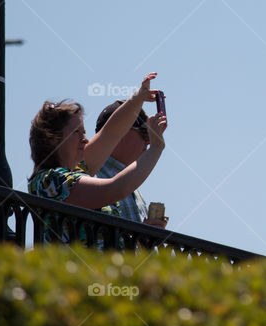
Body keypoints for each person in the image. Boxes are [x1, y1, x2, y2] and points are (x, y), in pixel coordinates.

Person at [27, 73, 167, 243]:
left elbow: (110, 133)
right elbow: (116, 188)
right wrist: (156, 148)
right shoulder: (50, 181)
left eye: (84, 132)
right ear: (52, 138)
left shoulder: (78, 171)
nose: (85, 139)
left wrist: (138, 98)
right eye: (76, 133)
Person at [94, 100, 168, 228]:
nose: (149, 141)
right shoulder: (89, 177)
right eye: (145, 132)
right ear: (120, 131)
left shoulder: (133, 186)